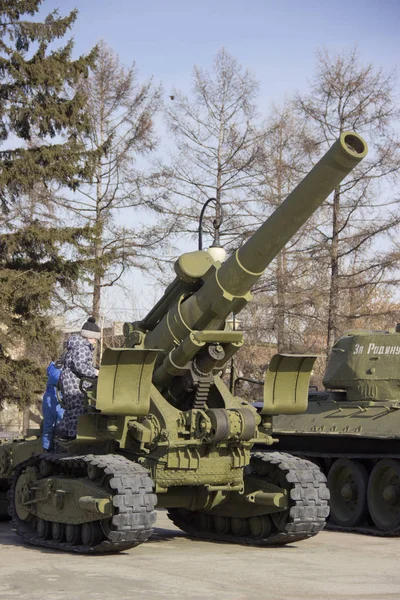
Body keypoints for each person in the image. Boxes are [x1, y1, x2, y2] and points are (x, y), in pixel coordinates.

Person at [56, 317, 100, 440]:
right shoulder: (82, 347)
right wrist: (96, 372)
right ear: (89, 337)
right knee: (78, 407)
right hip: (74, 383)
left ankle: (63, 433)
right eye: (95, 339)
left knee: (70, 409)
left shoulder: (75, 345)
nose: (96, 342)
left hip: (69, 381)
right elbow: (80, 366)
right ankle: (73, 436)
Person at [42, 361, 64, 451]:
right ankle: (49, 449)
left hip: (56, 396)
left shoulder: (53, 367)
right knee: (53, 425)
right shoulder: (55, 367)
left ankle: (50, 448)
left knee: (57, 425)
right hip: (56, 397)